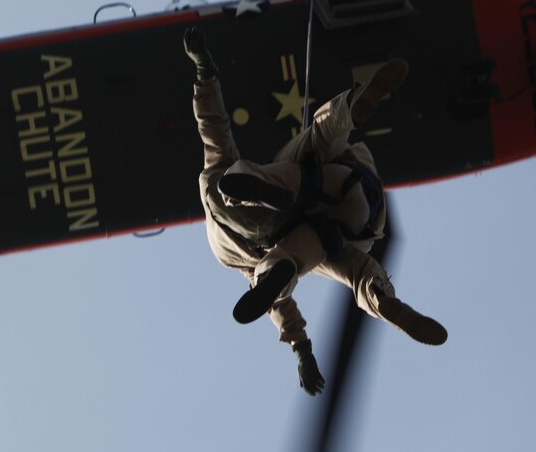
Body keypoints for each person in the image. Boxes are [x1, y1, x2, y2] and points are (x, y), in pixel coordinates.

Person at [186, 27, 447, 396]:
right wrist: (204, 70)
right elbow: (212, 124)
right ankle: (348, 111)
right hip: (338, 182)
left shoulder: (243, 261)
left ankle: (380, 297)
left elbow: (281, 307)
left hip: (348, 224)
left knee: (317, 269)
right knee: (316, 142)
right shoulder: (216, 175)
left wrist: (302, 348)